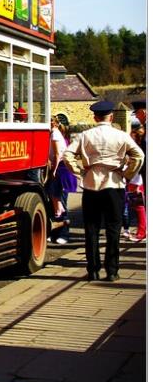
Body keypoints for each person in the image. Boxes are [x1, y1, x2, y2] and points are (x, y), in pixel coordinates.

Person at [63, 101, 144, 282]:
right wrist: (127, 174)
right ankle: (112, 271)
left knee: (91, 229)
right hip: (114, 185)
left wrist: (80, 171)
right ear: (111, 117)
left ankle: (92, 270)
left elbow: (67, 155)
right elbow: (139, 155)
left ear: (95, 117)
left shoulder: (85, 136)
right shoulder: (121, 135)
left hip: (91, 185)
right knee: (113, 229)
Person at [47, 116, 78, 244]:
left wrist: (53, 170)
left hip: (61, 171)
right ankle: (54, 233)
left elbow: (58, 155)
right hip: (58, 170)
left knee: (61, 201)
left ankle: (64, 234)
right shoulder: (55, 134)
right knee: (55, 202)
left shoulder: (55, 134)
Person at [126, 121, 146, 242]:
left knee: (139, 207)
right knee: (138, 207)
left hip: (136, 180)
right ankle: (142, 231)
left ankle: (142, 232)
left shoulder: (138, 151)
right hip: (136, 180)